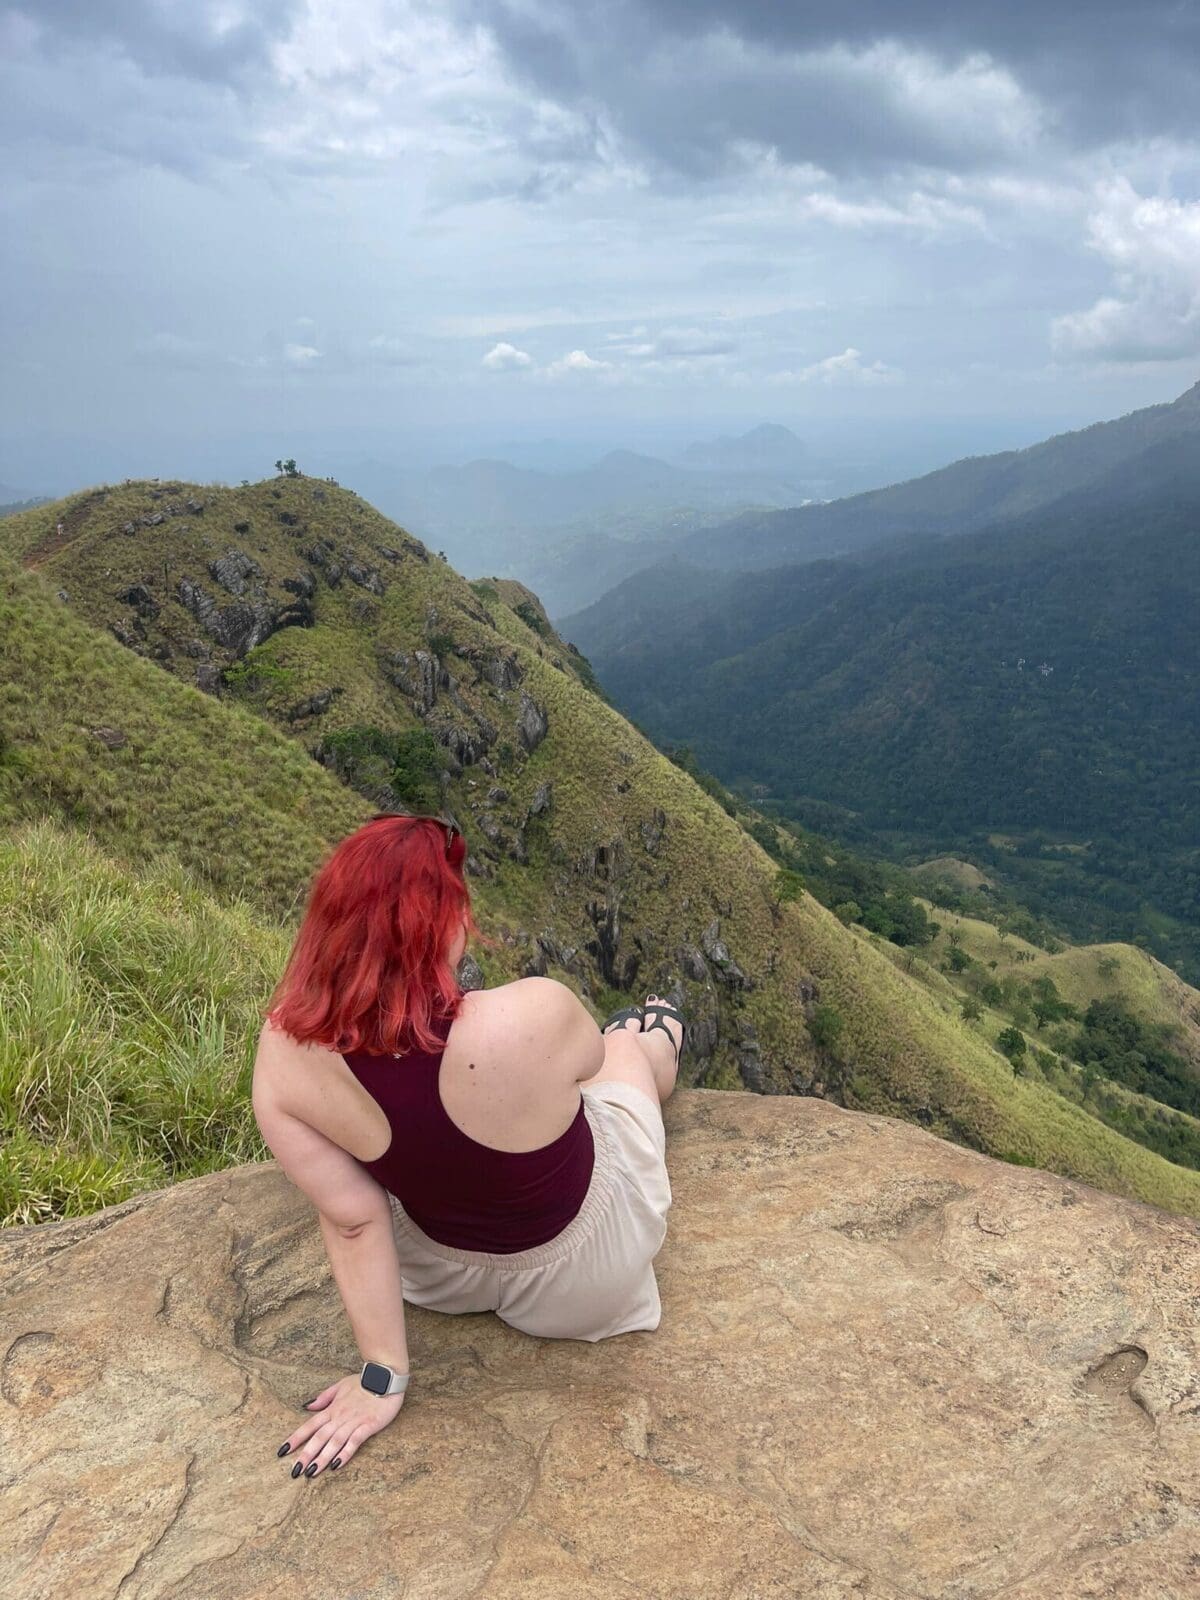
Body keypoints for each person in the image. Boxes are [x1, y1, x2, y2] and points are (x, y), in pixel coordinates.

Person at [251, 812, 685, 1480]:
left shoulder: (283, 1055)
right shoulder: (532, 1008)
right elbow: (585, 1060)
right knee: (621, 1050)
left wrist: (381, 1378)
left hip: (438, 1276)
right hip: (586, 1281)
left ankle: (648, 1038)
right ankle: (661, 1036)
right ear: (442, 924)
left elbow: (353, 1219)